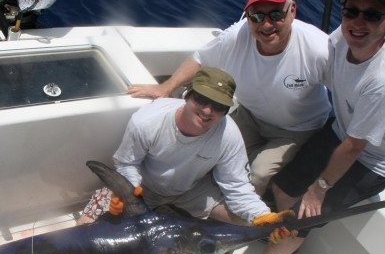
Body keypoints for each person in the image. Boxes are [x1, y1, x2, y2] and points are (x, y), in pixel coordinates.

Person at [217, 0, 385, 254]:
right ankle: (284, 232)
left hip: (374, 159)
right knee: (281, 187)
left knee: (304, 215)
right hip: (343, 132)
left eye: (372, 15)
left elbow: (356, 147)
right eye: (352, 10)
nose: (358, 21)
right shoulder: (342, 36)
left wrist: (319, 189)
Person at [129, 0, 332, 197]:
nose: (266, 24)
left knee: (257, 174)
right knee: (207, 150)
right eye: (256, 16)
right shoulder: (238, 34)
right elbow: (201, 59)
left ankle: (243, 220)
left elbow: (348, 88)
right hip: (251, 115)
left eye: (276, 14)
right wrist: (166, 88)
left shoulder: (319, 48)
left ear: (292, 11)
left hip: (296, 129)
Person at [76, 67, 291, 227]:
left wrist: (264, 216)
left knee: (249, 222)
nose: (208, 111)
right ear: (187, 96)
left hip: (191, 191)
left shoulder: (228, 134)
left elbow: (236, 185)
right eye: (202, 99)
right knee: (85, 226)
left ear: (226, 111)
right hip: (144, 188)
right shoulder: (148, 121)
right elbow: (127, 163)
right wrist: (131, 193)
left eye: (218, 106)